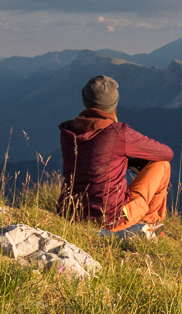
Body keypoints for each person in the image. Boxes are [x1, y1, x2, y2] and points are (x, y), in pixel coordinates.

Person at [58, 74, 173, 234]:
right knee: (162, 165)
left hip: (69, 213)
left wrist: (125, 160)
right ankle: (149, 226)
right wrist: (135, 161)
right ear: (113, 103)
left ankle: (146, 227)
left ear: (85, 100)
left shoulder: (68, 130)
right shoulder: (118, 132)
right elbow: (166, 153)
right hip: (111, 220)